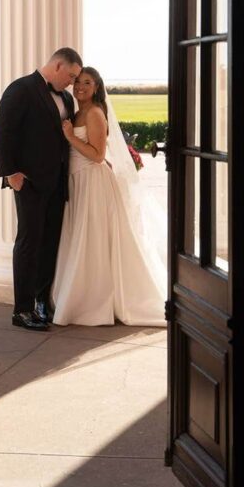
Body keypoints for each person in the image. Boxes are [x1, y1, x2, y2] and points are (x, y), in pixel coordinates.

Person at [51, 67, 166, 327]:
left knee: (93, 240)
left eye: (87, 82)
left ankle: (94, 304)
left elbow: (98, 155)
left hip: (92, 182)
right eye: (77, 81)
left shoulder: (94, 113)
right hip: (79, 181)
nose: (80, 86)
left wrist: (69, 137)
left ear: (96, 87)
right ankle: (81, 297)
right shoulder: (78, 111)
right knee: (84, 239)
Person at [0, 47, 83, 330]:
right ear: (57, 66)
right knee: (29, 243)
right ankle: (22, 310)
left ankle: (43, 300)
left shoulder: (66, 97)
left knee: (50, 242)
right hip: (29, 181)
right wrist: (10, 173)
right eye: (70, 76)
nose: (71, 83)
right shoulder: (21, 89)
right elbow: (1, 130)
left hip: (57, 182)